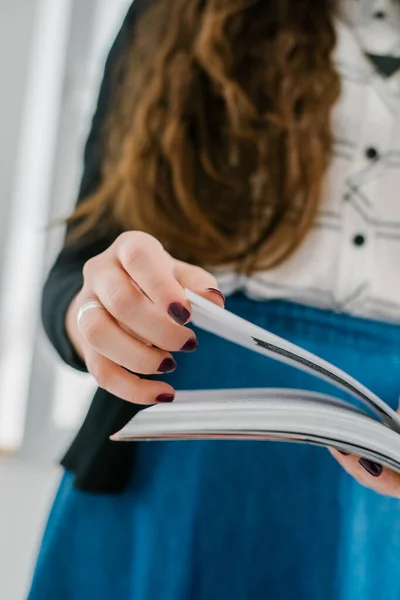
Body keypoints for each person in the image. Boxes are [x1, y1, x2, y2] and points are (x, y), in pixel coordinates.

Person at [28, 0, 400, 598]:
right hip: (178, 437)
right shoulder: (175, 12)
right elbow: (75, 270)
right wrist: (102, 315)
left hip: (382, 484)